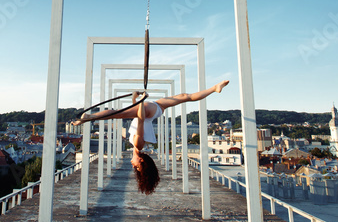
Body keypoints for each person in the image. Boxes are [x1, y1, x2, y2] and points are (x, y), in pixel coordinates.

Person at [72, 80, 229, 194]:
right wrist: (140, 101)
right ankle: (88, 118)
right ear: (141, 160)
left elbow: (136, 116)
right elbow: (139, 118)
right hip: (149, 111)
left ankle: (215, 88)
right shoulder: (138, 144)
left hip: (154, 110)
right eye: (136, 166)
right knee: (117, 113)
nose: (132, 165)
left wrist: (135, 99)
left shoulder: (137, 145)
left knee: (184, 96)